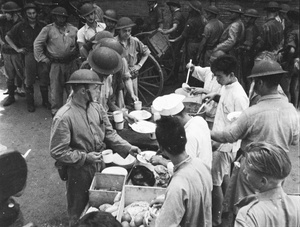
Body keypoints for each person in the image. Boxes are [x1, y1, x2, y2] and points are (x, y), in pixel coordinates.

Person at [49, 69, 141, 227]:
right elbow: (57, 151)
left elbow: (109, 134)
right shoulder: (64, 116)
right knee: (78, 208)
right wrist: (85, 157)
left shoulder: (97, 108)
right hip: (78, 171)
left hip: (100, 165)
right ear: (84, 91)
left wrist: (128, 147)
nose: (100, 91)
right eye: (96, 88)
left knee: (98, 204)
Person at [210, 59, 299, 221]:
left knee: (246, 209)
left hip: (254, 168)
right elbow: (294, 140)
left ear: (260, 83)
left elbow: (229, 136)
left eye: (254, 83)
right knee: (272, 206)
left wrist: (208, 132)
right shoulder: (292, 111)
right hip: (280, 167)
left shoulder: (252, 113)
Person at [205, 55, 249, 226]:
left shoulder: (239, 96)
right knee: (223, 176)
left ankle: (216, 219)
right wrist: (214, 96)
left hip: (225, 145)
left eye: (219, 76)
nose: (217, 79)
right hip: (219, 138)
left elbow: (241, 125)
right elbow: (224, 100)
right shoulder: (227, 86)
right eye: (215, 76)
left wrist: (220, 143)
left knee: (215, 181)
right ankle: (227, 208)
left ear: (231, 74)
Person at [148, 116, 212, 227]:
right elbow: (195, 200)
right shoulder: (201, 164)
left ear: (161, 148)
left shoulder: (177, 186)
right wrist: (169, 203)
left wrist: (154, 224)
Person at [234, 142, 300, 227]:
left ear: (263, 181)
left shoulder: (248, 215)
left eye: (248, 172)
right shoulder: (297, 202)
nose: (244, 171)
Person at [150, 93, 212, 173]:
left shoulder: (189, 136)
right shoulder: (199, 120)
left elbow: (187, 169)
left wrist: (163, 161)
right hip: (205, 172)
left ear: (175, 118)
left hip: (197, 178)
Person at [34, 6, 78, 117]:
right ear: (54, 17)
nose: (61, 19)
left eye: (63, 17)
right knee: (56, 88)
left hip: (71, 63)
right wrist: (43, 58)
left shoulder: (73, 29)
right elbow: (37, 44)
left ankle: (73, 109)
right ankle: (56, 111)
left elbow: (80, 42)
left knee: (72, 87)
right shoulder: (48, 29)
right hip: (56, 64)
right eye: (59, 16)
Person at [5, 3, 50, 112]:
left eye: (34, 13)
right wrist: (17, 49)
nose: (32, 15)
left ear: (37, 13)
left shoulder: (43, 25)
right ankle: (30, 103)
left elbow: (50, 39)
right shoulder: (20, 26)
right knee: (29, 79)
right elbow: (7, 37)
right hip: (28, 54)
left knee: (44, 77)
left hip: (41, 54)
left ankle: (45, 101)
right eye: (29, 13)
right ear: (26, 14)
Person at [184, 50, 224, 129]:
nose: (210, 65)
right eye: (210, 62)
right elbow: (197, 70)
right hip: (204, 110)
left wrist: (204, 91)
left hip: (216, 116)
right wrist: (192, 67)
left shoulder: (225, 79)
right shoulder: (209, 71)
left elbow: (224, 99)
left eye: (213, 63)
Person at [115, 17, 150, 98]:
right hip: (119, 77)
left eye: (129, 30)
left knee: (133, 98)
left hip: (132, 75)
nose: (127, 33)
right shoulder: (114, 42)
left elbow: (147, 52)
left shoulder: (135, 41)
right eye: (124, 31)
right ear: (119, 31)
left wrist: (139, 65)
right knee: (120, 101)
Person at [1, 1, 25, 107]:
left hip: (17, 52)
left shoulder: (22, 22)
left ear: (14, 13)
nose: (5, 15)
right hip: (6, 51)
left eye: (7, 13)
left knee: (20, 72)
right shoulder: (3, 20)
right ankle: (11, 96)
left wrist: (18, 49)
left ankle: (19, 88)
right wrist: (1, 43)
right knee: (9, 75)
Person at [213, 5, 245, 84]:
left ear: (237, 14)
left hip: (231, 52)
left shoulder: (235, 25)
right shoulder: (240, 23)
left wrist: (218, 47)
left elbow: (231, 41)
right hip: (236, 51)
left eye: (232, 13)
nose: (230, 14)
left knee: (230, 72)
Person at [170, 1, 206, 66]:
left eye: (190, 7)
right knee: (196, 62)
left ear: (193, 9)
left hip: (191, 45)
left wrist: (174, 40)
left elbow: (183, 35)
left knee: (189, 63)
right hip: (199, 44)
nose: (187, 8)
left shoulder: (191, 21)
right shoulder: (202, 19)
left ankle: (189, 75)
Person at [158, 0, 185, 85]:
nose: (169, 8)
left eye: (170, 6)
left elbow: (174, 27)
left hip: (175, 40)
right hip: (177, 39)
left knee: (167, 58)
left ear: (172, 6)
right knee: (174, 58)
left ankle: (173, 77)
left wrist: (165, 32)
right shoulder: (180, 13)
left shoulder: (176, 15)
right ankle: (174, 77)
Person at [239, 9, 260, 93]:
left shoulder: (249, 29)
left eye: (248, 17)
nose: (245, 19)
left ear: (253, 19)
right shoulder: (255, 27)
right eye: (246, 17)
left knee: (246, 77)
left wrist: (240, 46)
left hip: (247, 56)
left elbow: (248, 46)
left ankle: (249, 94)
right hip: (252, 56)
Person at [286, 8, 300, 108]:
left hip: (293, 63)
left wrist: (287, 60)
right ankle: (295, 107)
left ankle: (290, 108)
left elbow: (291, 50)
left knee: (288, 87)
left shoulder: (293, 33)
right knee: (295, 87)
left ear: (292, 20)